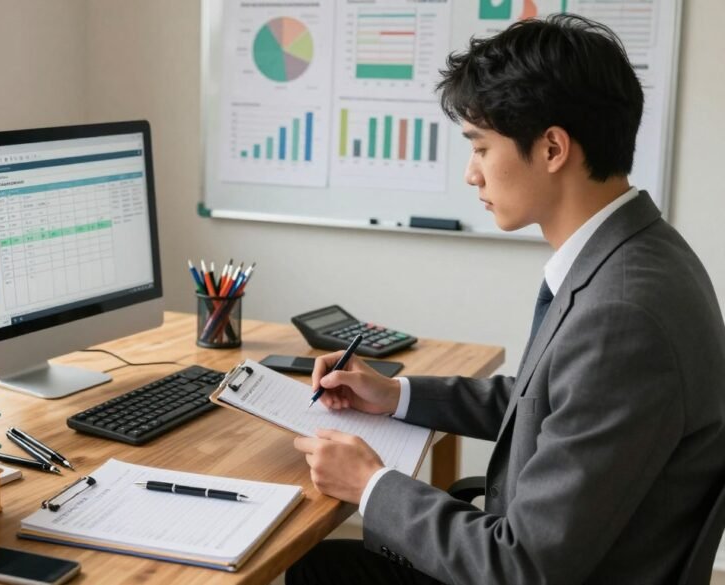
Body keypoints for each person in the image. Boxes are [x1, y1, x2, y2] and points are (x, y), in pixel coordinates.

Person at [287, 13, 725, 585]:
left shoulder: (623, 315)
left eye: (480, 146)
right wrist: (394, 394)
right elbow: (548, 402)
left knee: (320, 571)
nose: (471, 174)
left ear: (551, 148)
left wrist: (370, 484)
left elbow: (521, 566)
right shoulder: (640, 252)